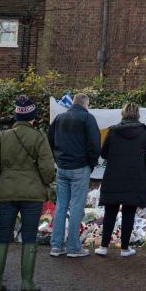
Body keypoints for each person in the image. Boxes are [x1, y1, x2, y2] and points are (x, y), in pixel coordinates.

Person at [0, 95, 56, 291]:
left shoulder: (1, 137)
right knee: (29, 236)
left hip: (6, 192)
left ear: (16, 116)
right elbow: (47, 169)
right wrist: (44, 183)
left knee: (2, 235)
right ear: (33, 118)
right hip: (32, 194)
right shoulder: (39, 137)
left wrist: (0, 183)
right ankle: (27, 282)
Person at [95, 102, 146, 258]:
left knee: (110, 211)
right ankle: (124, 249)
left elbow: (103, 154)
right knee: (129, 213)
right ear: (138, 114)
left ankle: (103, 247)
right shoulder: (145, 132)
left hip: (113, 177)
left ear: (122, 114)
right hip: (135, 178)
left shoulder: (113, 131)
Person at [48, 92, 100, 258]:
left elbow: (50, 140)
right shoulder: (87, 118)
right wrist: (91, 164)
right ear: (85, 104)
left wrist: (58, 158)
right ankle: (74, 247)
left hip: (62, 167)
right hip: (80, 166)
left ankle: (56, 246)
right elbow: (94, 144)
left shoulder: (59, 118)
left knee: (61, 205)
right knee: (77, 206)